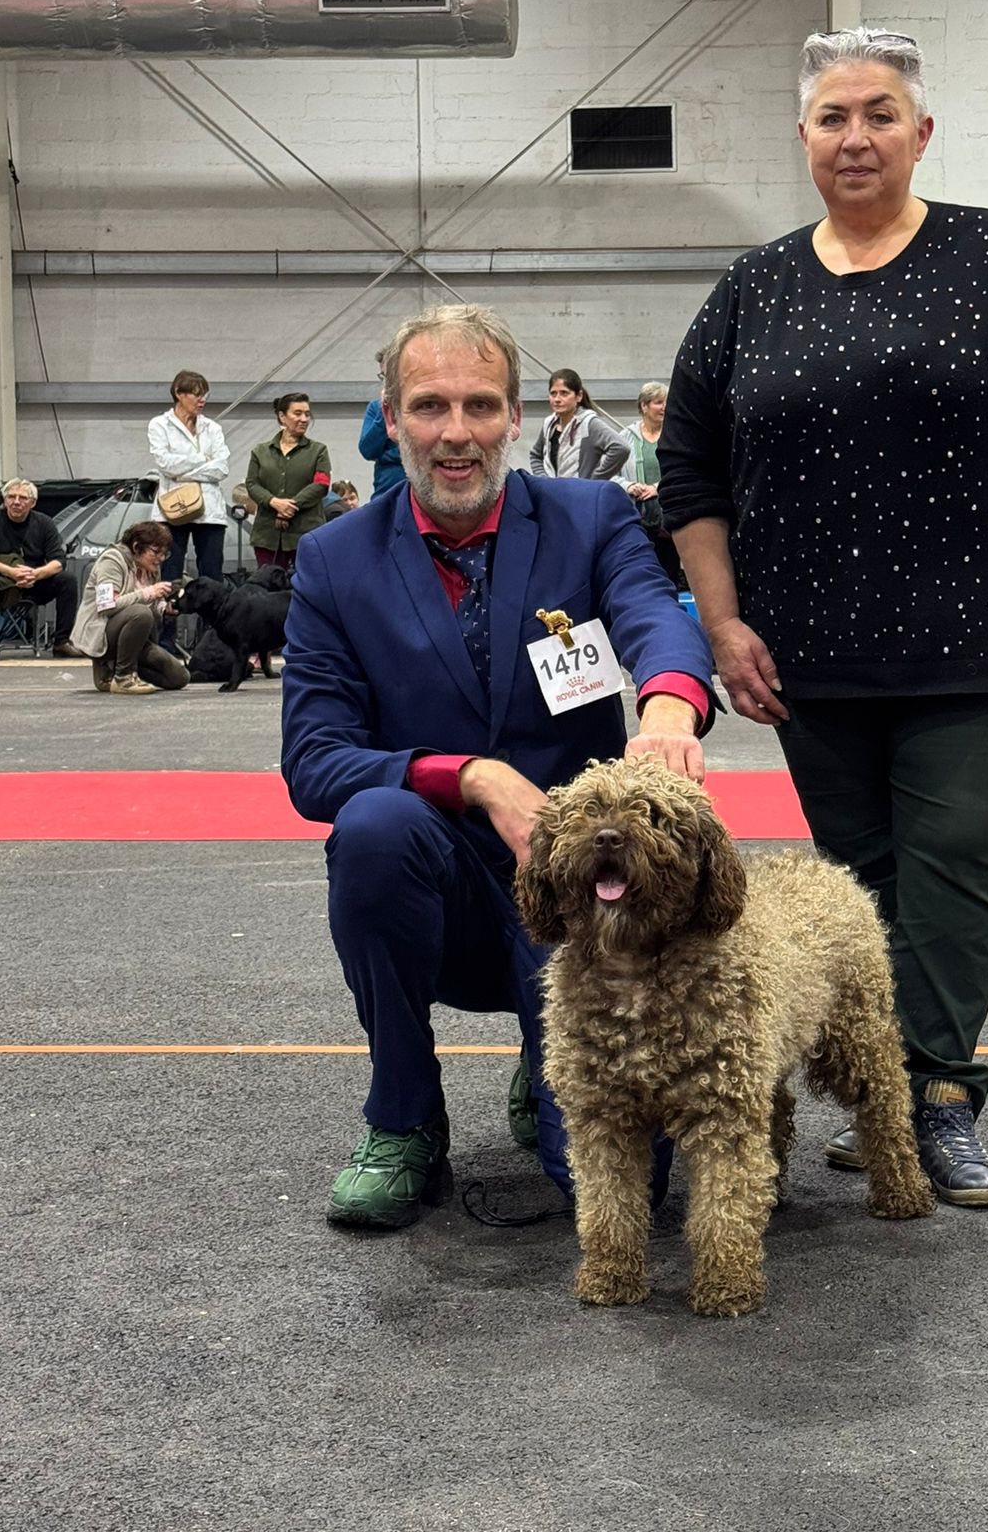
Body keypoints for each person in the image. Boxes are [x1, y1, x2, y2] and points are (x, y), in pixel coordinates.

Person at [659, 26, 988, 1210]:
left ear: (921, 133)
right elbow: (692, 470)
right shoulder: (752, 287)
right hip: (811, 650)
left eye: (879, 114)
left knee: (955, 865)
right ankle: (883, 1095)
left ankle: (942, 1097)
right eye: (833, 117)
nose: (855, 135)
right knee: (859, 888)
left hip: (984, 637)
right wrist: (722, 625)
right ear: (804, 138)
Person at [281, 303, 716, 1231]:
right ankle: (402, 1115)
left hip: (583, 894)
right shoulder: (332, 560)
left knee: (619, 1195)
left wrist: (672, 698)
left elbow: (653, 614)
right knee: (370, 828)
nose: (456, 433)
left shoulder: (589, 515)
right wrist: (470, 775)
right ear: (390, 420)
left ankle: (548, 1058)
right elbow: (314, 762)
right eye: (428, 406)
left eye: (481, 405)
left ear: (517, 417)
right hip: (437, 890)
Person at [148, 369, 229, 644]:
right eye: (195, 393)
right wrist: (202, 460)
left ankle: (211, 642)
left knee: (212, 578)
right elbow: (164, 464)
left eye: (203, 393)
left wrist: (184, 467)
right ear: (178, 395)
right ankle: (167, 643)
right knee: (170, 577)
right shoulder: (159, 425)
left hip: (211, 513)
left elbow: (222, 468)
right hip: (172, 512)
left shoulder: (213, 428)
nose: (201, 399)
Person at [0, 479, 82, 662]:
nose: (16, 502)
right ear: (5, 500)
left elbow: (58, 561)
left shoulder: (44, 522)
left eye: (22, 498)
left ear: (32, 503)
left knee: (67, 580)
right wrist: (10, 572)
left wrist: (35, 574)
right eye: (11, 497)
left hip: (35, 582)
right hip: (1, 583)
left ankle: (61, 642)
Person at [69, 521, 191, 695]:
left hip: (136, 637)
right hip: (102, 630)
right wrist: (148, 593)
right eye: (156, 552)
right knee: (141, 613)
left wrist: (165, 608)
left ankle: (118, 668)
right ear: (136, 547)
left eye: (165, 553)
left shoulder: (151, 568)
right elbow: (106, 606)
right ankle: (122, 677)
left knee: (179, 678)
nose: (161, 559)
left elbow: (154, 602)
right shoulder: (111, 560)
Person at [243, 391, 332, 575]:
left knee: (307, 584)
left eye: (307, 414)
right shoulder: (260, 451)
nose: (304, 419)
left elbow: (321, 484)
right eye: (297, 413)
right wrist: (274, 502)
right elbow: (252, 484)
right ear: (282, 417)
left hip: (306, 532)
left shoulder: (318, 451)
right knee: (267, 587)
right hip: (267, 535)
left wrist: (290, 507)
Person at [621, 382, 683, 588]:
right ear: (644, 406)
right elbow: (609, 474)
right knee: (642, 570)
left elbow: (684, 469)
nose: (664, 407)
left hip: (669, 514)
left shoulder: (676, 435)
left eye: (666, 402)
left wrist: (657, 487)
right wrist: (629, 485)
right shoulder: (624, 437)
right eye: (658, 402)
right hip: (639, 515)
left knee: (669, 570)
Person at [529, 369, 630, 481]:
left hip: (580, 494)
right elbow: (535, 455)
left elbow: (621, 448)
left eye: (564, 393)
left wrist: (594, 481)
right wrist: (543, 480)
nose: (557, 399)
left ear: (579, 396)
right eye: (553, 393)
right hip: (551, 494)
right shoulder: (549, 424)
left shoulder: (589, 424)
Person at [358, 349, 404, 497]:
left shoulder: (420, 407)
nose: (387, 382)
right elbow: (368, 450)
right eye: (383, 376)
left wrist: (388, 454)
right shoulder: (375, 408)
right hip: (386, 487)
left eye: (391, 375)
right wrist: (384, 411)